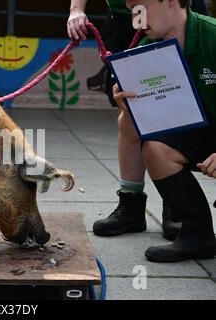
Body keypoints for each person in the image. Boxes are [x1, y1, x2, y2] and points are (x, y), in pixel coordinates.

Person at [67, 0, 209, 241]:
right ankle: (132, 203)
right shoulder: (137, 25)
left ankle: (176, 204)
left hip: (170, 12)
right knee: (133, 111)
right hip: (128, 17)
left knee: (184, 98)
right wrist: (76, 10)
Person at [111, 0, 216, 262]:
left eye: (140, 9)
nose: (135, 19)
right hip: (200, 133)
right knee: (156, 148)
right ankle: (197, 235)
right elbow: (131, 133)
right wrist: (127, 109)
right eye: (132, 11)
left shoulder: (212, 35)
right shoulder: (144, 52)